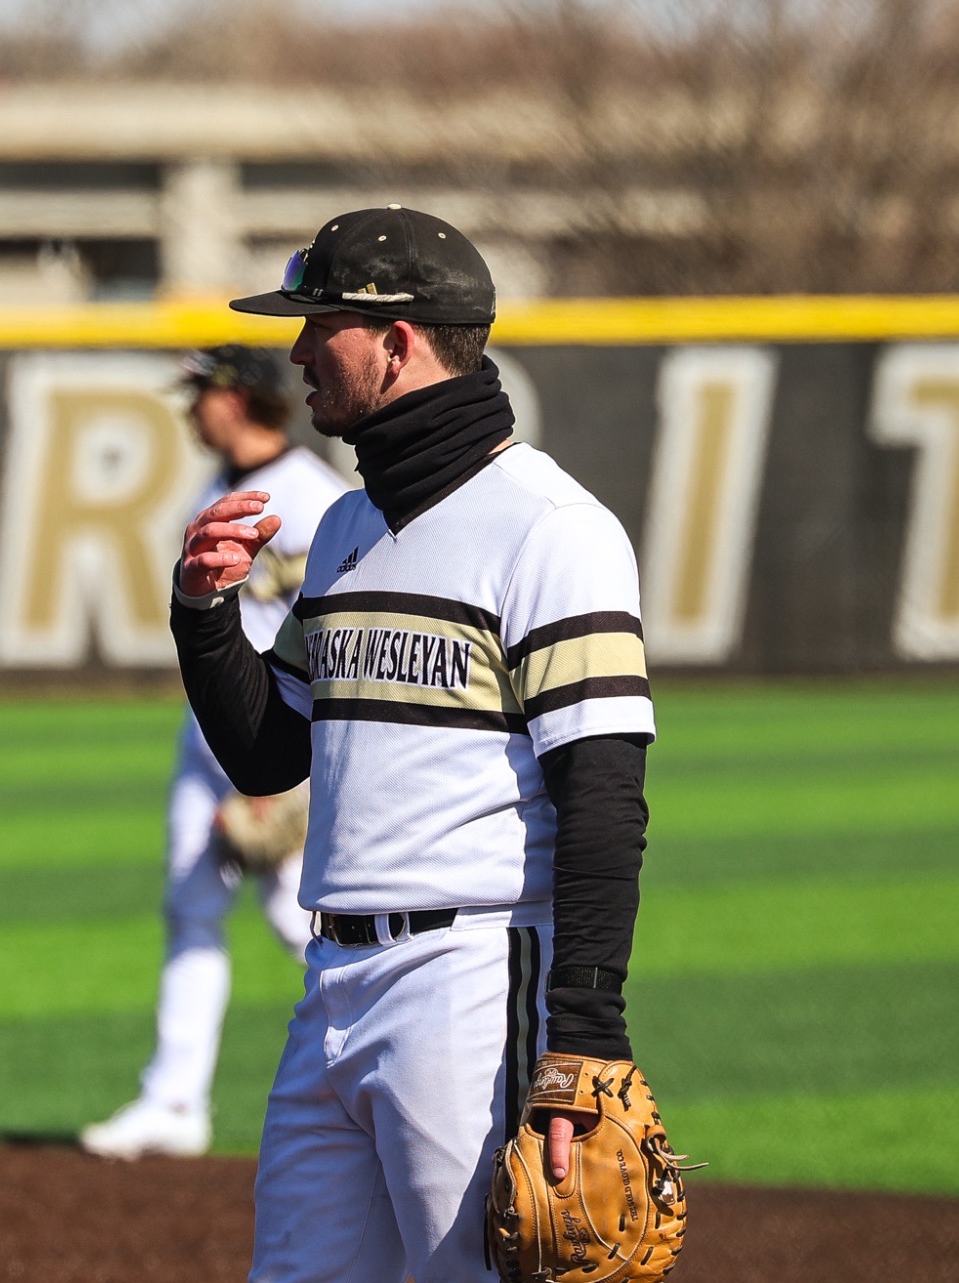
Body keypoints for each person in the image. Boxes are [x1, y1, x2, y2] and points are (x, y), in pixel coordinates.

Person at [170, 207, 655, 1281]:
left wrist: (583, 1035)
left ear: (396, 342)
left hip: (470, 980)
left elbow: (603, 796)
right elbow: (270, 754)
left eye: (321, 325)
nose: (299, 351)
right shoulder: (347, 527)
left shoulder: (550, 530)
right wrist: (203, 616)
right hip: (332, 981)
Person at [81, 344, 349, 1161]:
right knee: (191, 908)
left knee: (302, 920)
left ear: (239, 398)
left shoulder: (317, 499)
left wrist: (297, 782)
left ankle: (379, 1075)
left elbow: (339, 640)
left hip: (280, 751)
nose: (190, 408)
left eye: (200, 393)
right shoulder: (213, 490)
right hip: (206, 744)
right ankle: (173, 1101)